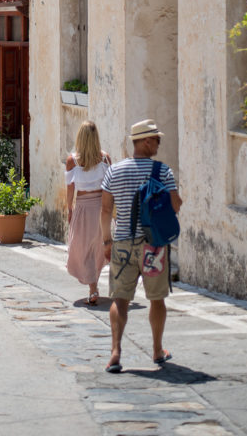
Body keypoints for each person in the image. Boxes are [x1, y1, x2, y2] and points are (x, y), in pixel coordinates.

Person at [100, 119, 182, 371]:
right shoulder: (162, 171)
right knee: (156, 299)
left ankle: (115, 352)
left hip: (123, 243)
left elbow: (105, 209)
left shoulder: (115, 171)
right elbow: (176, 204)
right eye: (156, 138)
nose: (159, 142)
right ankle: (157, 351)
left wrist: (106, 241)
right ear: (146, 141)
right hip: (153, 247)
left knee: (120, 299)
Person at [65, 120, 112, 305]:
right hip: (102, 208)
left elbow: (70, 189)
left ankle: (93, 288)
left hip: (83, 208)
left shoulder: (72, 161)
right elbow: (111, 187)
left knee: (82, 248)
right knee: (98, 248)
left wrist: (69, 208)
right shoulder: (105, 159)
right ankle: (95, 285)